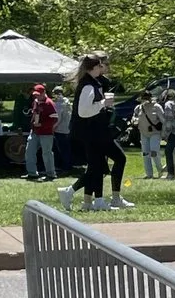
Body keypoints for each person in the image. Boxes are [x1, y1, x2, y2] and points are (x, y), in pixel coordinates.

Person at [64, 54, 128, 212]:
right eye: (100, 65)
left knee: (97, 166)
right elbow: (83, 112)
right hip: (91, 132)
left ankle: (92, 201)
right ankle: (71, 192)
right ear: (93, 68)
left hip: (95, 131)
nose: (103, 68)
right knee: (99, 166)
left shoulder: (93, 83)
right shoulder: (88, 86)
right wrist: (102, 103)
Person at [24, 82, 59, 181]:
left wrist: (42, 125)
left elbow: (55, 119)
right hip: (34, 131)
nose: (36, 96)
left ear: (43, 93)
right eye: (35, 94)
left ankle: (51, 174)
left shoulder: (49, 103)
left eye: (38, 94)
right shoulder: (35, 102)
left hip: (46, 133)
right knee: (29, 151)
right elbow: (35, 114)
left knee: (47, 153)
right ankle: (32, 173)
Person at [135, 88, 167, 181]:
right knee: (145, 154)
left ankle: (160, 171)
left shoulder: (157, 107)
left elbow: (163, 120)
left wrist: (165, 133)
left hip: (155, 133)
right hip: (143, 133)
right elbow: (135, 117)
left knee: (154, 152)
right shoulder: (139, 108)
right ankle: (149, 174)